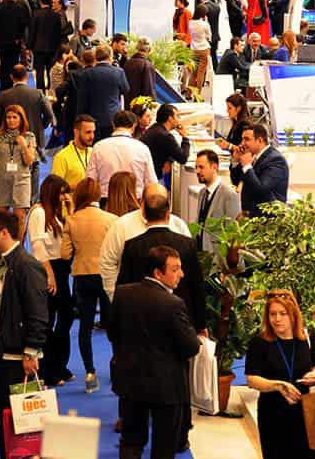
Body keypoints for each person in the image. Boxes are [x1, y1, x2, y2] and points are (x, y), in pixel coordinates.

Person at [108, 245, 200, 459]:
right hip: (167, 388)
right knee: (164, 446)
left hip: (130, 382)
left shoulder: (122, 293)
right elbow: (191, 347)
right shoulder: (173, 303)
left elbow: (112, 333)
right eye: (175, 269)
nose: (181, 274)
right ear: (158, 273)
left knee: (130, 441)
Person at [0, 209, 49, 459]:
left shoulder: (27, 266)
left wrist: (31, 351)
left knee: (23, 424)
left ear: (4, 233)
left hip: (19, 362)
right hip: (0, 358)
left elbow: (38, 313)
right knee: (6, 418)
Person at [246, 290, 315, 459]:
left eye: (283, 314)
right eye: (272, 314)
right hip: (274, 415)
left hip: (308, 412)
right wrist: (278, 386)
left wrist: (314, 374)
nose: (277, 319)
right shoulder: (259, 342)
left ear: (293, 315)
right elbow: (252, 379)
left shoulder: (307, 337)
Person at [116, 190, 206, 333]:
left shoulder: (132, 246)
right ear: (168, 215)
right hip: (181, 321)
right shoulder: (187, 244)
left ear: (144, 215)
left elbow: (124, 286)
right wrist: (201, 324)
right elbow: (196, 286)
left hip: (142, 322)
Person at [60, 178, 116, 394]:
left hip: (83, 277)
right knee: (113, 325)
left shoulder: (71, 221)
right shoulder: (111, 219)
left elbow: (65, 254)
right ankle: (117, 366)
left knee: (85, 326)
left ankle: (90, 373)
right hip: (106, 276)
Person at [99, 182, 193, 302]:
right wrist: (116, 296)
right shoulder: (121, 226)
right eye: (152, 199)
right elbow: (107, 262)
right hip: (136, 303)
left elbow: (189, 271)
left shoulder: (179, 225)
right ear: (141, 202)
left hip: (176, 304)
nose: (156, 204)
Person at [27, 176, 75, 387]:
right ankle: (48, 369)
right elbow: (37, 246)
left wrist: (70, 210)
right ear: (52, 192)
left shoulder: (57, 214)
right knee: (47, 321)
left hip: (61, 269)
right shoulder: (38, 213)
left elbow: (70, 237)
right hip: (46, 269)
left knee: (66, 317)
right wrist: (49, 274)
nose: (65, 197)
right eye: (62, 193)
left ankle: (59, 365)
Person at [0, 64, 54, 191]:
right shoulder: (37, 93)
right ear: (27, 76)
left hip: (10, 140)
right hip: (35, 137)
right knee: (34, 167)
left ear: (11, 77)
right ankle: (32, 198)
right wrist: (40, 127)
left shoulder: (4, 95)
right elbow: (49, 115)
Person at [0, 103, 38, 240]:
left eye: (15, 117)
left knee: (20, 218)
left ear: (21, 119)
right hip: (0, 182)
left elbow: (29, 161)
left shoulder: (29, 136)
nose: (11, 120)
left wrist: (23, 145)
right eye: (8, 117)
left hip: (21, 182)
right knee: (2, 219)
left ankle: (18, 246)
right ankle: (3, 245)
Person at [86, 110, 158, 200]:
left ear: (113, 125)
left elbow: (90, 181)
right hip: (134, 201)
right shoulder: (142, 148)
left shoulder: (98, 147)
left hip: (106, 202)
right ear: (134, 126)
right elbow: (151, 183)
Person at [229, 123, 289, 216]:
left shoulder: (275, 160)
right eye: (242, 139)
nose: (242, 143)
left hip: (267, 219)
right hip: (250, 215)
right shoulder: (253, 156)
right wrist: (235, 161)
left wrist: (247, 166)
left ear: (260, 140)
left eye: (246, 139)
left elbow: (261, 190)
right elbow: (236, 181)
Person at [76, 45, 130, 140]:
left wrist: (80, 118)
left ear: (96, 56)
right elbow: (125, 90)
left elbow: (82, 98)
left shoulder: (87, 74)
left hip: (92, 118)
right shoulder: (119, 72)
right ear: (110, 56)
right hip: (113, 118)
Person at [192, 150, 240, 254]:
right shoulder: (202, 193)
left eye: (201, 167)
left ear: (214, 167)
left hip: (218, 257)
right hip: (202, 255)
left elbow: (233, 234)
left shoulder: (229, 195)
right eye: (196, 167)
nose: (197, 171)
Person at [0, 0, 30, 92]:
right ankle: (12, 88)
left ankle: (3, 88)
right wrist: (20, 38)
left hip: (1, 43)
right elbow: (24, 24)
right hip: (14, 43)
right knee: (13, 65)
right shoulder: (19, 8)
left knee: (3, 65)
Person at [142, 104, 192, 181]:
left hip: (146, 174)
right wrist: (185, 137)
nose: (179, 119)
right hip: (153, 178)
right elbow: (183, 158)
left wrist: (169, 159)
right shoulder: (165, 136)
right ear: (170, 118)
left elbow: (164, 148)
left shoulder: (155, 128)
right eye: (177, 116)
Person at [50, 113, 96, 189]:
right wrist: (78, 187)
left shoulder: (94, 153)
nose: (92, 136)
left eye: (93, 132)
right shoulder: (61, 157)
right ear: (76, 132)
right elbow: (54, 188)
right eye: (88, 132)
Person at [29, 0, 64, 91]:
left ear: (40, 1)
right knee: (50, 69)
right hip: (52, 47)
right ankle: (50, 89)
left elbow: (32, 32)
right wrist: (58, 46)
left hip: (38, 47)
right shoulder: (56, 15)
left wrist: (29, 46)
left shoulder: (36, 14)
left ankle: (41, 91)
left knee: (39, 71)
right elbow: (59, 33)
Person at [185, 5, 212, 92]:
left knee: (193, 73)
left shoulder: (190, 23)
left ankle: (188, 94)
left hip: (193, 49)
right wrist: (206, 21)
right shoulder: (205, 24)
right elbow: (209, 36)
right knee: (201, 73)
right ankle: (198, 95)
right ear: (203, 14)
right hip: (203, 49)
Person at [124, 37, 158, 104]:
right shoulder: (147, 65)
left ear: (137, 47)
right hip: (141, 106)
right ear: (149, 49)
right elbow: (149, 89)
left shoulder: (127, 63)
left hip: (128, 104)